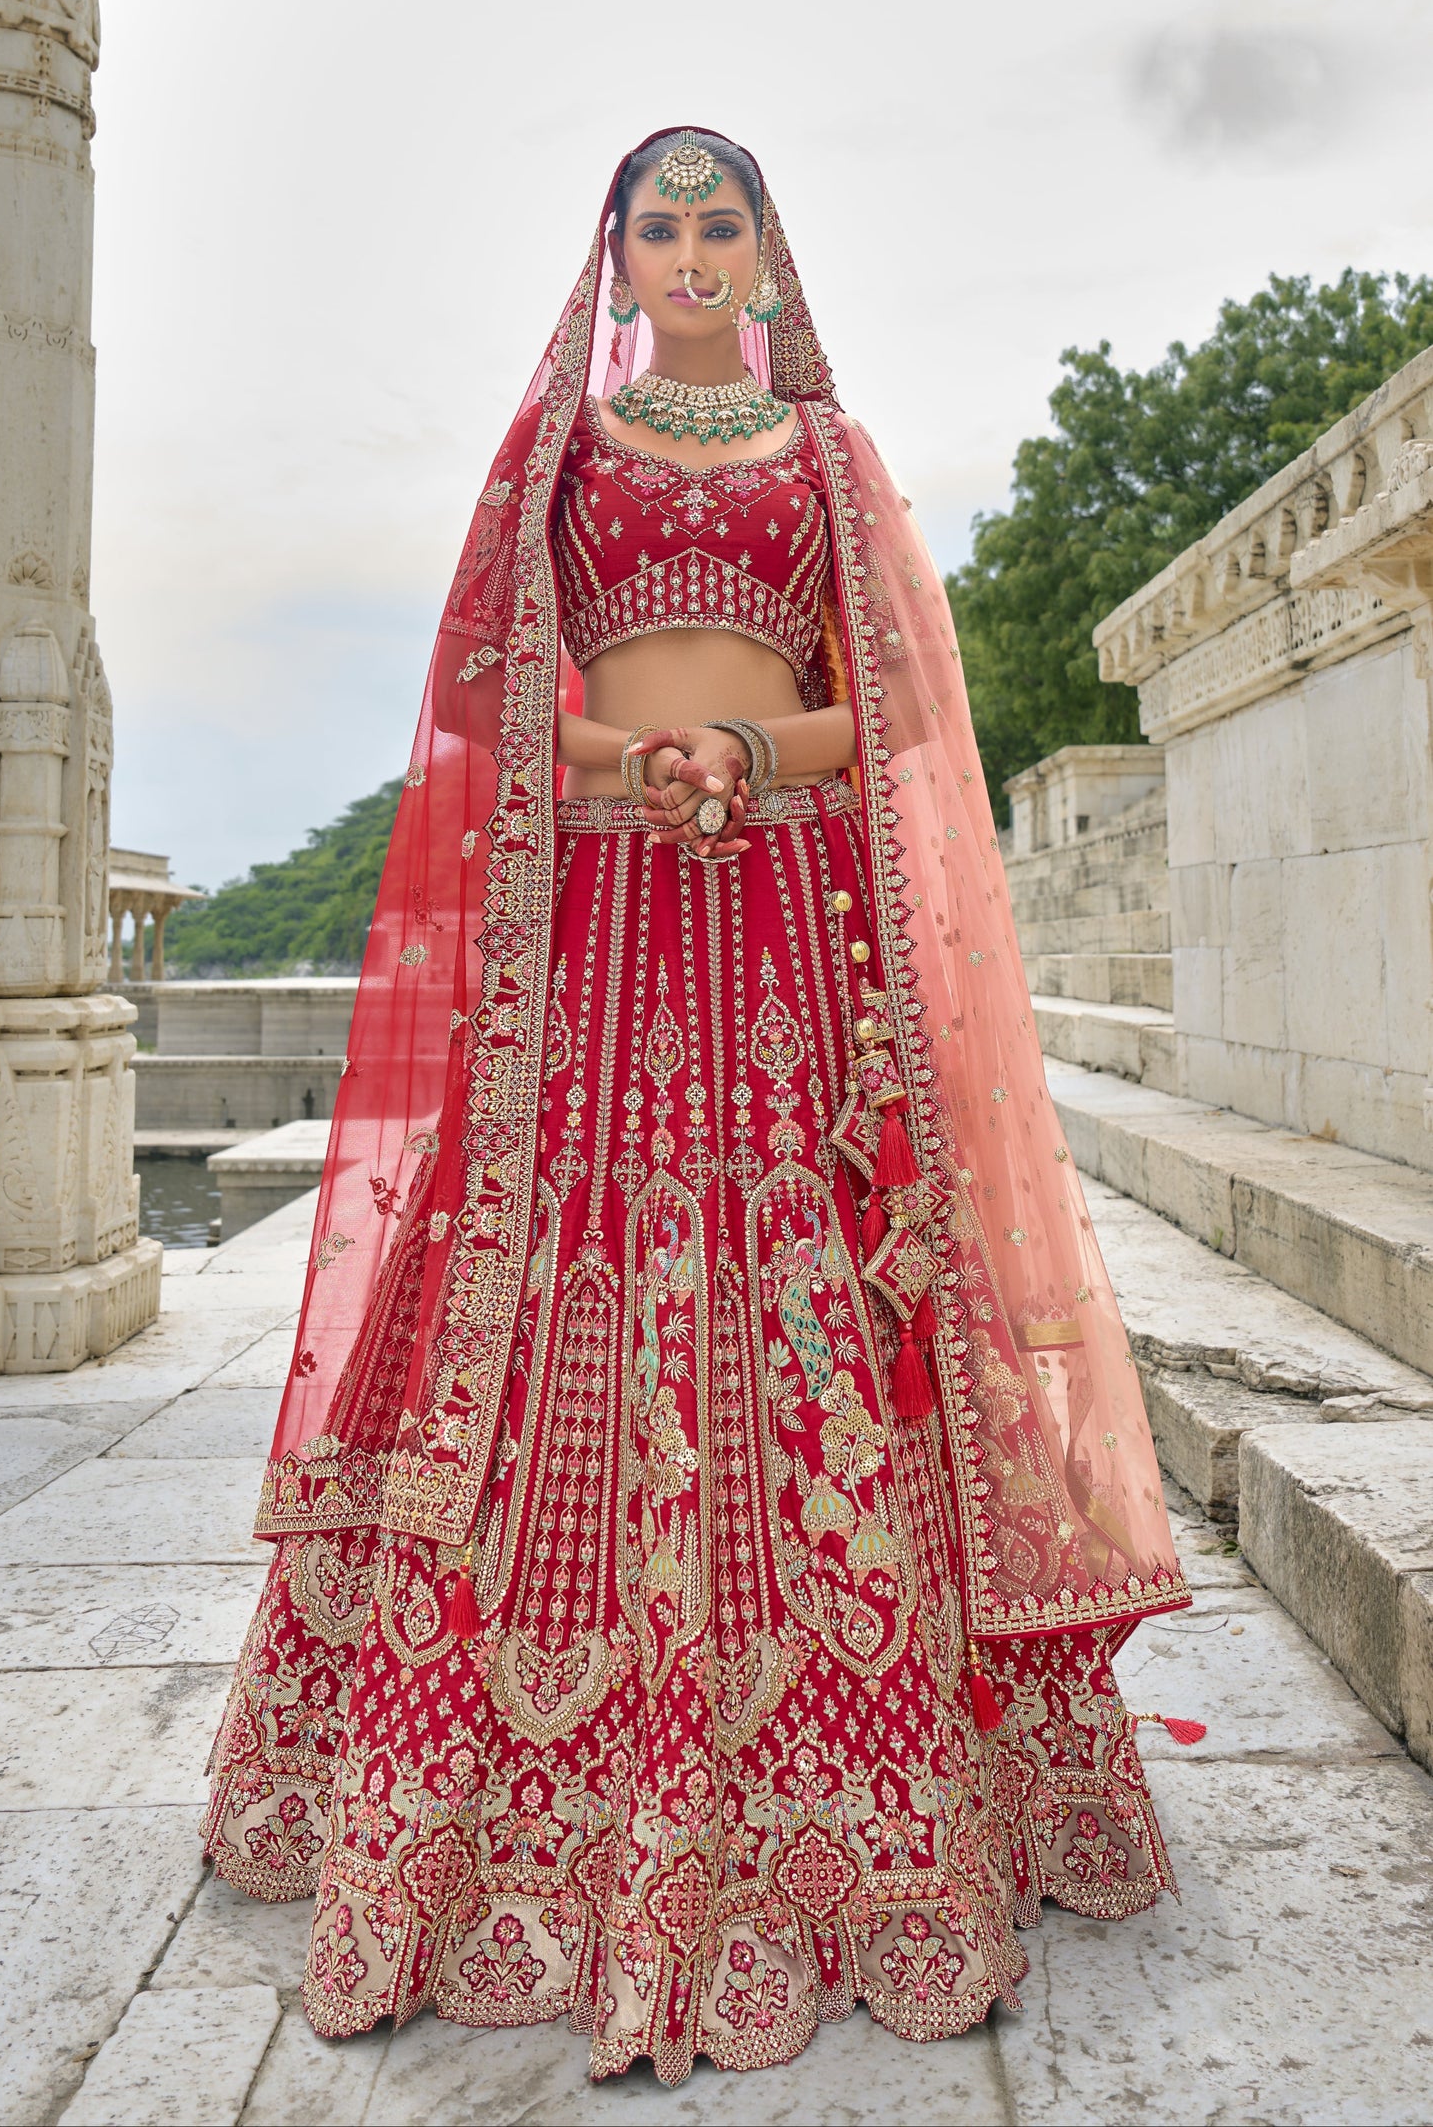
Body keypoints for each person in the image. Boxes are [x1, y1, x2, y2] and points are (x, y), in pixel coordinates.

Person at [201, 129, 1196, 2085]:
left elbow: (902, 704)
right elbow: (487, 692)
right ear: (618, 256)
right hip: (592, 932)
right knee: (545, 1299)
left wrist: (743, 745)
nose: (687, 250)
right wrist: (624, 759)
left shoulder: (830, 464)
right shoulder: (556, 461)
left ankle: (884, 1842)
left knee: (818, 1310)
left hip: (785, 931)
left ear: (767, 249)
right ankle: (484, 1846)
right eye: (656, 224)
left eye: (717, 220)